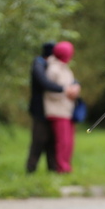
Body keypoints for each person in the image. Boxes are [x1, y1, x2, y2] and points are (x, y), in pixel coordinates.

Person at [26, 42, 80, 173]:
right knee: (39, 141)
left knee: (53, 142)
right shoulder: (39, 64)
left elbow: (70, 80)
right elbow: (45, 83)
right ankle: (31, 170)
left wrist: (75, 86)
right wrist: (65, 90)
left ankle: (54, 168)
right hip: (43, 110)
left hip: (57, 110)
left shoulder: (55, 65)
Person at [44, 41, 81, 173]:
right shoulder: (53, 69)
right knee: (62, 142)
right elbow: (49, 91)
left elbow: (71, 84)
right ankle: (61, 167)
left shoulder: (65, 67)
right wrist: (67, 91)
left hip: (67, 110)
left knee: (69, 142)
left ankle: (67, 166)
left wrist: (75, 89)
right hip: (57, 111)